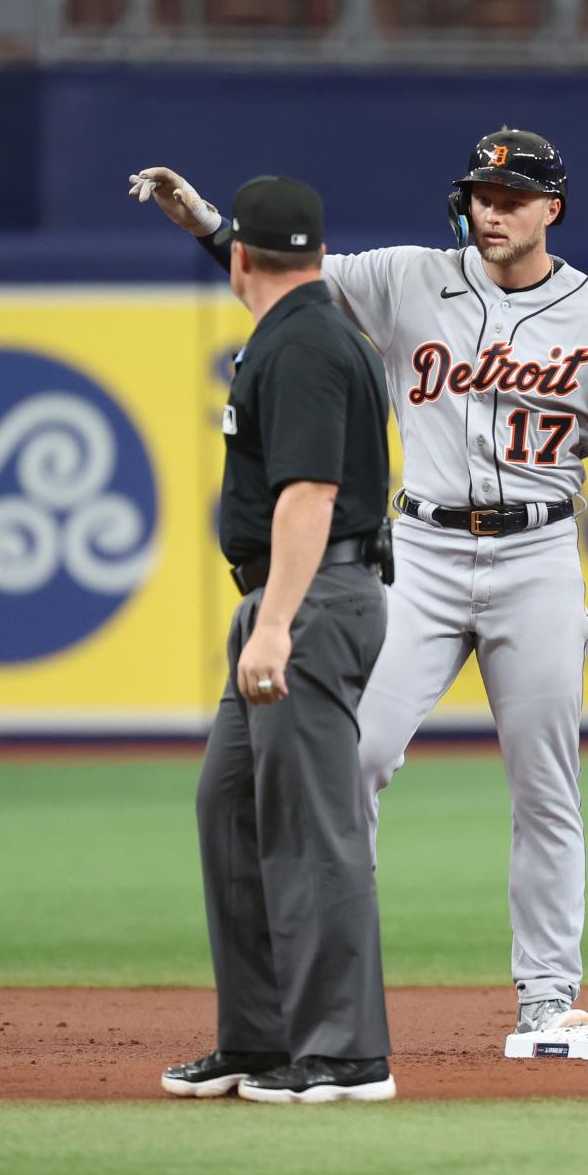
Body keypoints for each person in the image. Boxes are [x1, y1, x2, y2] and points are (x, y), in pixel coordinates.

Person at [130, 129, 588, 1038]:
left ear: (551, 209)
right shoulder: (409, 277)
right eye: (482, 193)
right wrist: (210, 223)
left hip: (536, 558)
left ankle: (547, 998)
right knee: (354, 758)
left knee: (544, 782)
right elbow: (296, 277)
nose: (492, 208)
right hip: (423, 553)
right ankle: (327, 985)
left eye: (513, 196)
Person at [156, 174, 396, 1103]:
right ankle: (259, 1036)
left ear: (245, 260)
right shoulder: (312, 322)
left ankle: (345, 1053)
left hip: (310, 598)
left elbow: (311, 494)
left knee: (311, 827)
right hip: (295, 597)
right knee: (234, 811)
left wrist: (279, 624)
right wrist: (209, 225)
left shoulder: (300, 344)